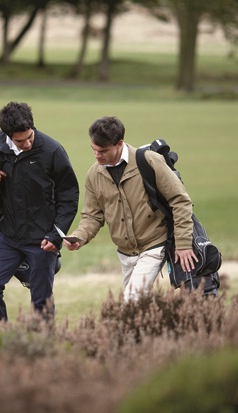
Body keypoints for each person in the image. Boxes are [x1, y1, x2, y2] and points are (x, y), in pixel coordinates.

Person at [63, 116, 197, 302]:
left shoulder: (149, 161)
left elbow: (180, 200)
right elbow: (92, 216)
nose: (97, 155)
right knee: (141, 307)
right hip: (125, 253)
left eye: (103, 151)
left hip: (154, 245)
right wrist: (79, 236)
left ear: (119, 144)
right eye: (93, 149)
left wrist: (183, 244)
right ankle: (162, 329)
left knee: (131, 300)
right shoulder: (94, 174)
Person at [0, 102, 79, 321]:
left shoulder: (52, 150)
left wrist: (57, 235)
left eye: (30, 137)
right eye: (20, 141)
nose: (26, 144)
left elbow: (69, 196)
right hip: (9, 236)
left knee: (41, 299)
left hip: (42, 240)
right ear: (8, 136)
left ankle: (42, 345)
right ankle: (1, 337)